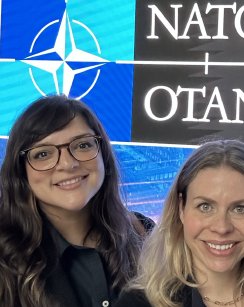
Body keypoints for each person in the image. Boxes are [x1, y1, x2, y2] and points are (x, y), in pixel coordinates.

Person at [0, 95, 155, 307]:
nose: (67, 163)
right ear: (21, 171)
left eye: (82, 145)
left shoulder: (145, 235)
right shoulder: (4, 257)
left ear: (103, 154)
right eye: (43, 153)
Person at [116, 140, 244, 307]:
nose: (222, 227)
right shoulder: (139, 304)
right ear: (180, 209)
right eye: (205, 207)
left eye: (240, 208)